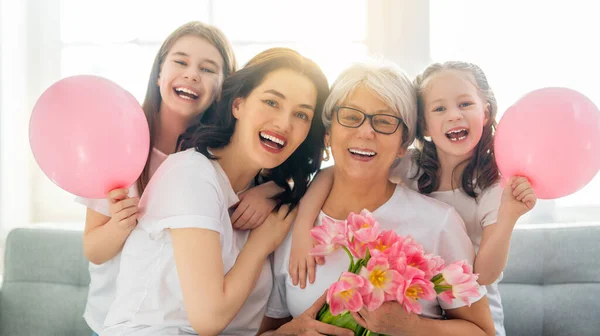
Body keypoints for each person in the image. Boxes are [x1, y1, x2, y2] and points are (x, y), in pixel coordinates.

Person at [288, 61, 537, 335]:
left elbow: (484, 277)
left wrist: (509, 216)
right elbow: (340, 169)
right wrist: (302, 227)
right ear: (425, 125)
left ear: (486, 112)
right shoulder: (413, 166)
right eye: (440, 108)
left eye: (465, 104)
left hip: (473, 292)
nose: (454, 116)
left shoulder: (488, 190)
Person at [101, 47, 330, 335]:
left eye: (301, 114)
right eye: (272, 102)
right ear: (238, 105)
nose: (284, 123)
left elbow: (328, 175)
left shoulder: (268, 197)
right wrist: (260, 245)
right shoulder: (191, 174)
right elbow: (208, 320)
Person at [75, 21, 276, 335]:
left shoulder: (219, 158)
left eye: (208, 69)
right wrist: (119, 226)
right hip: (116, 319)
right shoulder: (119, 144)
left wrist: (273, 190)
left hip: (181, 320)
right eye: (181, 62)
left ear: (224, 89)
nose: (192, 74)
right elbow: (93, 249)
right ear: (159, 74)